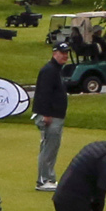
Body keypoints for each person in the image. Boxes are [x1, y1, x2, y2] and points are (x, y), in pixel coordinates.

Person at [31, 38, 70, 192]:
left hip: (55, 115)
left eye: (66, 53)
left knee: (51, 148)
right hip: (50, 116)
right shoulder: (49, 70)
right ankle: (43, 180)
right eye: (62, 53)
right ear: (54, 53)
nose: (65, 56)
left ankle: (49, 178)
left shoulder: (56, 70)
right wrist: (46, 114)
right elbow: (43, 94)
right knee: (48, 149)